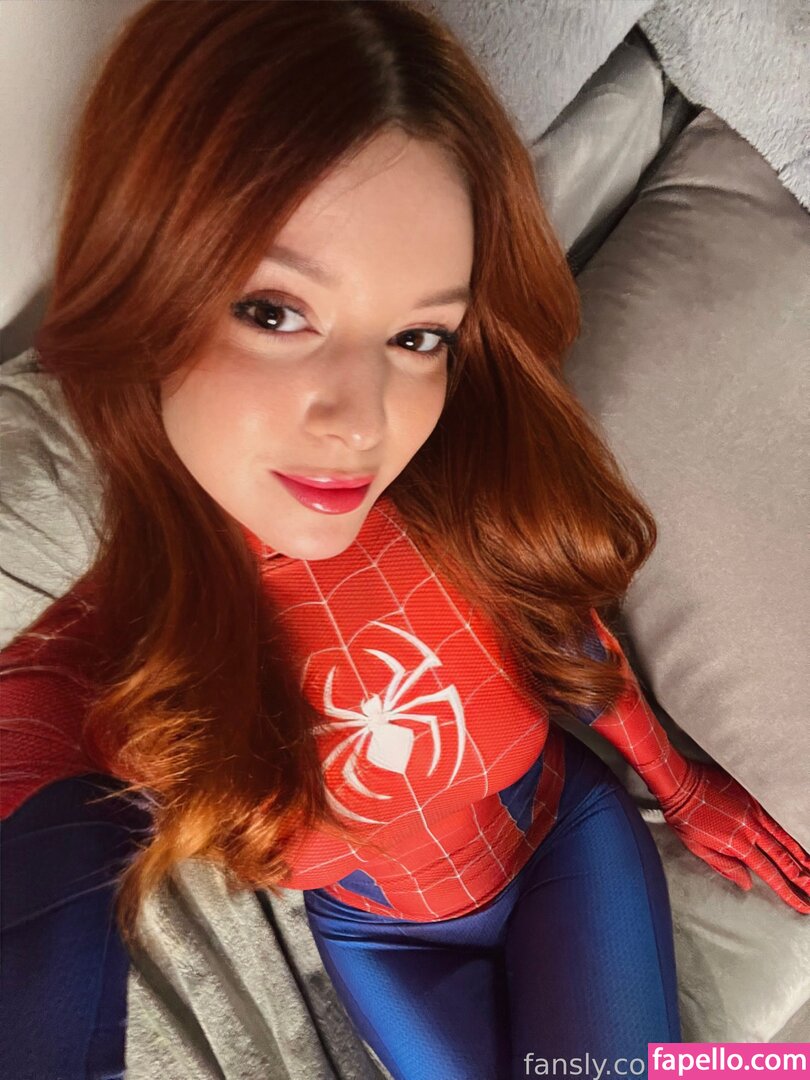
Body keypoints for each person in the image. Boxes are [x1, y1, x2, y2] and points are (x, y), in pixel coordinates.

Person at [1, 2, 807, 1078]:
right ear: (144, 276)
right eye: (275, 312)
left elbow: (564, 634)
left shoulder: (455, 488)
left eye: (419, 335)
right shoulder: (97, 647)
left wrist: (683, 784)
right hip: (381, 939)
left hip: (560, 842)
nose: (363, 421)